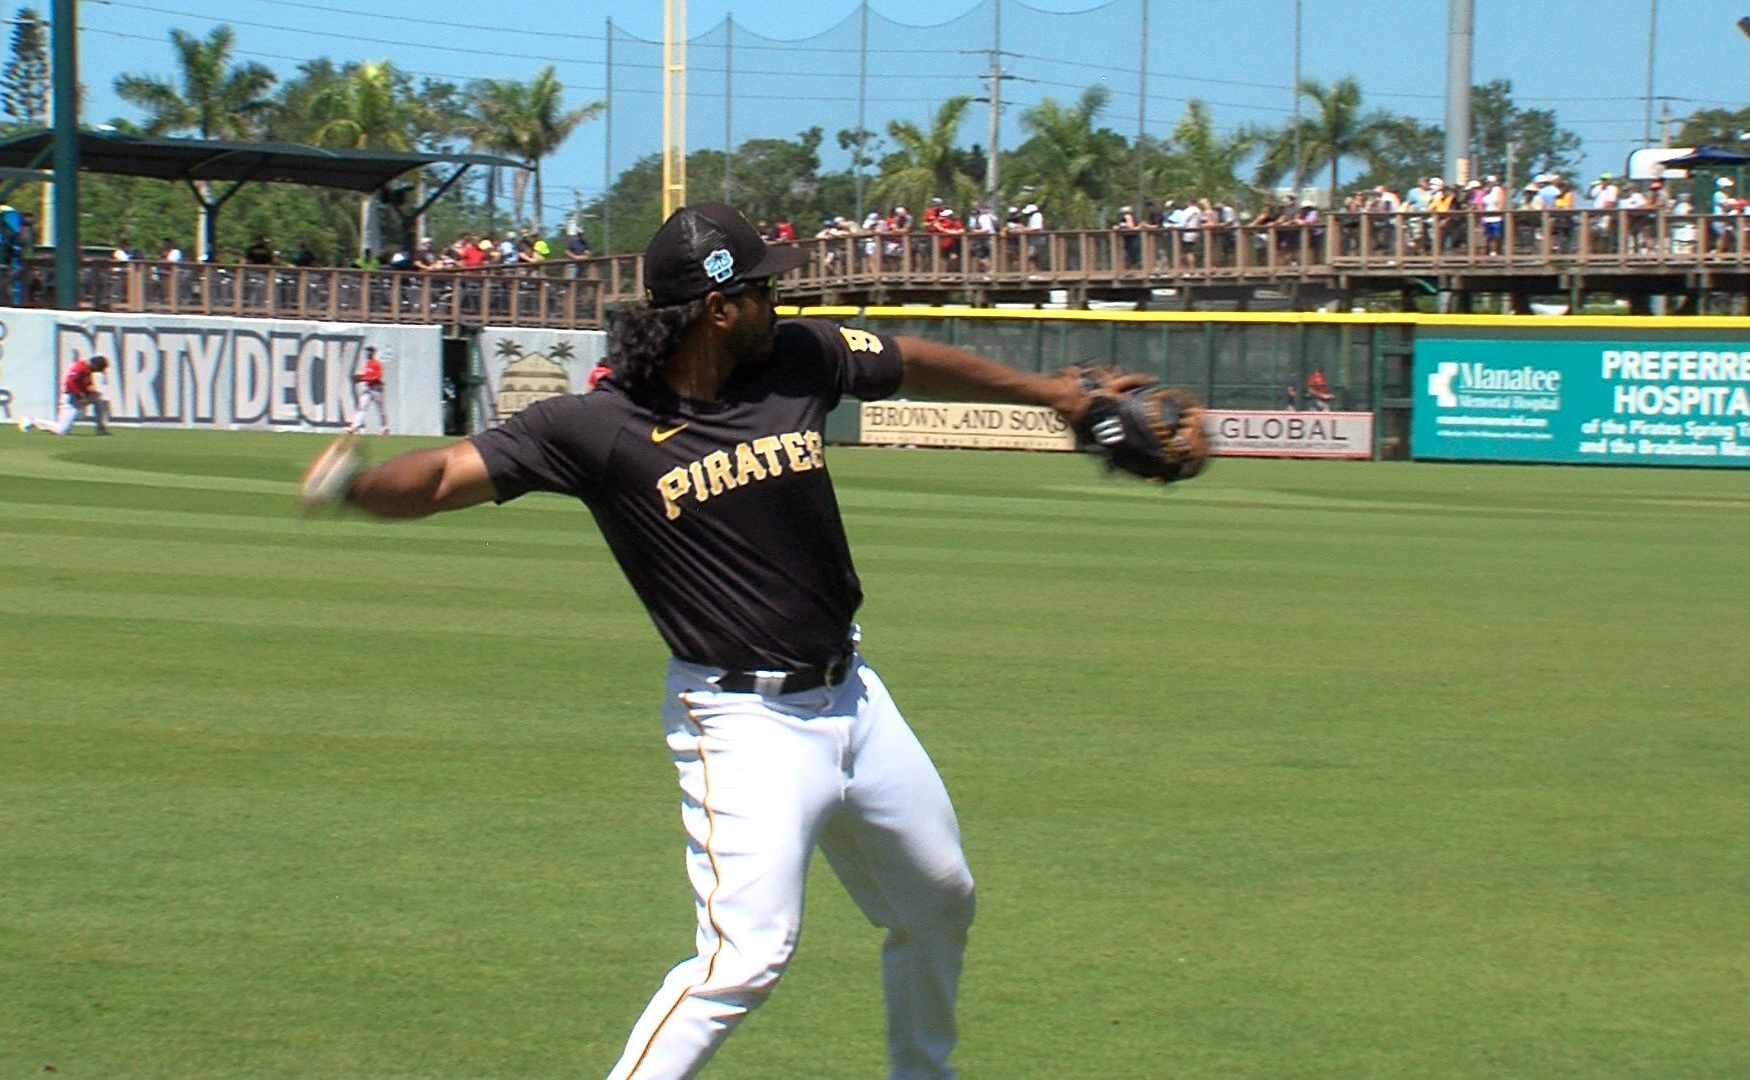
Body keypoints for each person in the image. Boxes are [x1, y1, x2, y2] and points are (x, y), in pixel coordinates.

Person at [295, 201, 1156, 1080]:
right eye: (763, 286)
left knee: (939, 900)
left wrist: (1055, 396)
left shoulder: (795, 360)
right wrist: (354, 488)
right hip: (741, 723)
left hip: (854, 697)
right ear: (718, 308)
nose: (779, 298)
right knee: (744, 956)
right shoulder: (598, 428)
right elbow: (444, 474)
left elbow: (906, 360)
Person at [18, 355, 112, 436]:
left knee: (98, 400)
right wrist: (80, 396)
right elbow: (70, 383)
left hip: (80, 397)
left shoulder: (87, 370)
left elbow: (86, 384)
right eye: (99, 369)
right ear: (95, 365)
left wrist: (90, 391)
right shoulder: (80, 367)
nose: (98, 371)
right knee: (62, 430)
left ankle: (101, 429)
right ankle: (32, 421)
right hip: (71, 399)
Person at [348, 346, 389, 435]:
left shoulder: (376, 364)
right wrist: (361, 377)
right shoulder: (368, 363)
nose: (368, 353)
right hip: (368, 388)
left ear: (373, 353)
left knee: (380, 409)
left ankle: (384, 427)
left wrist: (362, 379)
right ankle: (354, 427)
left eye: (370, 352)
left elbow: (377, 377)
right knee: (362, 407)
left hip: (376, 388)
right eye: (367, 352)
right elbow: (368, 375)